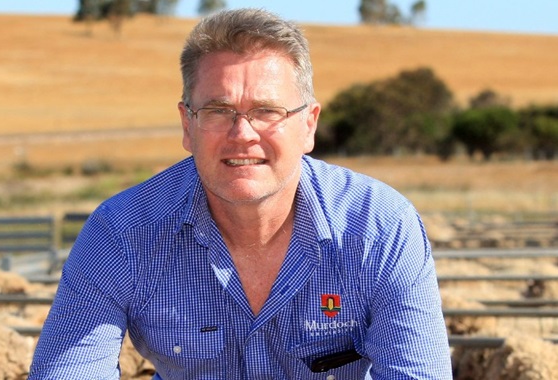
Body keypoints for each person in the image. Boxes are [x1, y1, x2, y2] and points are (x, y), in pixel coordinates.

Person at [29, 8, 452, 380]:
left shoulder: (381, 227)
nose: (242, 135)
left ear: (308, 125)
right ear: (186, 125)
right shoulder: (120, 235)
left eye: (266, 111)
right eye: (218, 111)